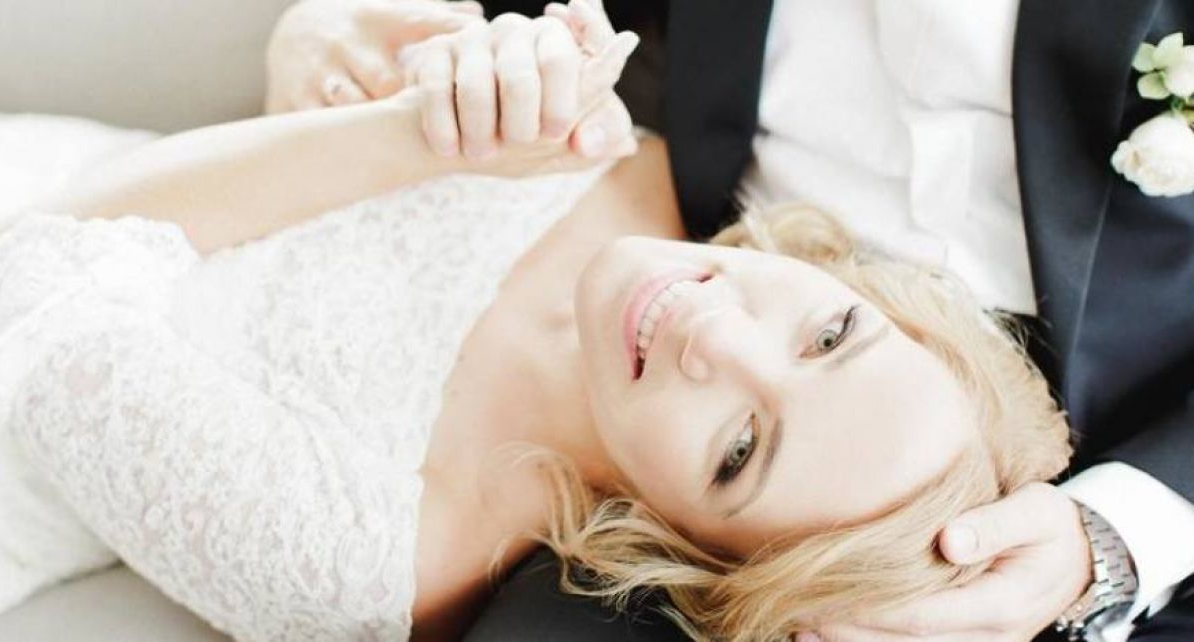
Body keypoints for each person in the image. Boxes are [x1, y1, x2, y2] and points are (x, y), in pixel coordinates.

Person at [0, 4, 1088, 642]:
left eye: (738, 450)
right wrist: (367, 49)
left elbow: (2, 283)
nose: (714, 335)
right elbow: (340, 59)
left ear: (686, 547)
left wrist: (413, 137)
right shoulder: (655, 163)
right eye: (829, 337)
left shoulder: (388, 552)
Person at [261, 0, 1194, 640]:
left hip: (1097, 465)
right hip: (695, 302)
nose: (718, 341)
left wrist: (1115, 536)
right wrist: (329, 25)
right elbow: (498, 29)